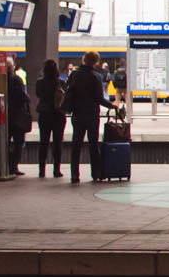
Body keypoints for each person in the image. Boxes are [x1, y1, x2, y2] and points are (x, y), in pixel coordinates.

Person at [63, 48, 114, 184]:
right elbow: (99, 98)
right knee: (93, 144)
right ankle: (96, 173)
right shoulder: (95, 76)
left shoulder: (74, 74)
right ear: (95, 62)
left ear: (84, 60)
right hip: (92, 114)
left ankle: (75, 174)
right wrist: (112, 106)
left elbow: (68, 90)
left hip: (77, 114)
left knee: (76, 144)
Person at [35, 58, 66, 178]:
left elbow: (38, 94)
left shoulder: (39, 82)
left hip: (44, 114)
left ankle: (41, 170)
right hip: (58, 115)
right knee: (57, 143)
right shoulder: (61, 82)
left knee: (43, 142)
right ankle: (56, 169)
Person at [5, 65, 30, 176]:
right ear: (11, 67)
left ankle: (6, 163)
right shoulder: (16, 79)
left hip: (5, 117)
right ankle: (13, 165)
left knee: (4, 142)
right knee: (19, 142)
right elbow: (23, 97)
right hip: (17, 116)